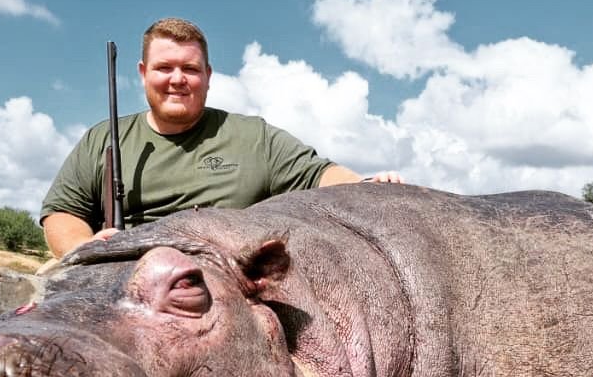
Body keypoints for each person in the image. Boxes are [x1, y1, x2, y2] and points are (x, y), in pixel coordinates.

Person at [40, 17, 402, 257]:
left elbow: (318, 175)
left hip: (230, 289)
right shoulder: (103, 138)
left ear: (208, 75)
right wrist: (85, 249)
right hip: (127, 278)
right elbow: (61, 212)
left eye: (190, 69)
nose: (177, 79)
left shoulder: (253, 136)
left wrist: (368, 186)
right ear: (143, 73)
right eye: (164, 68)